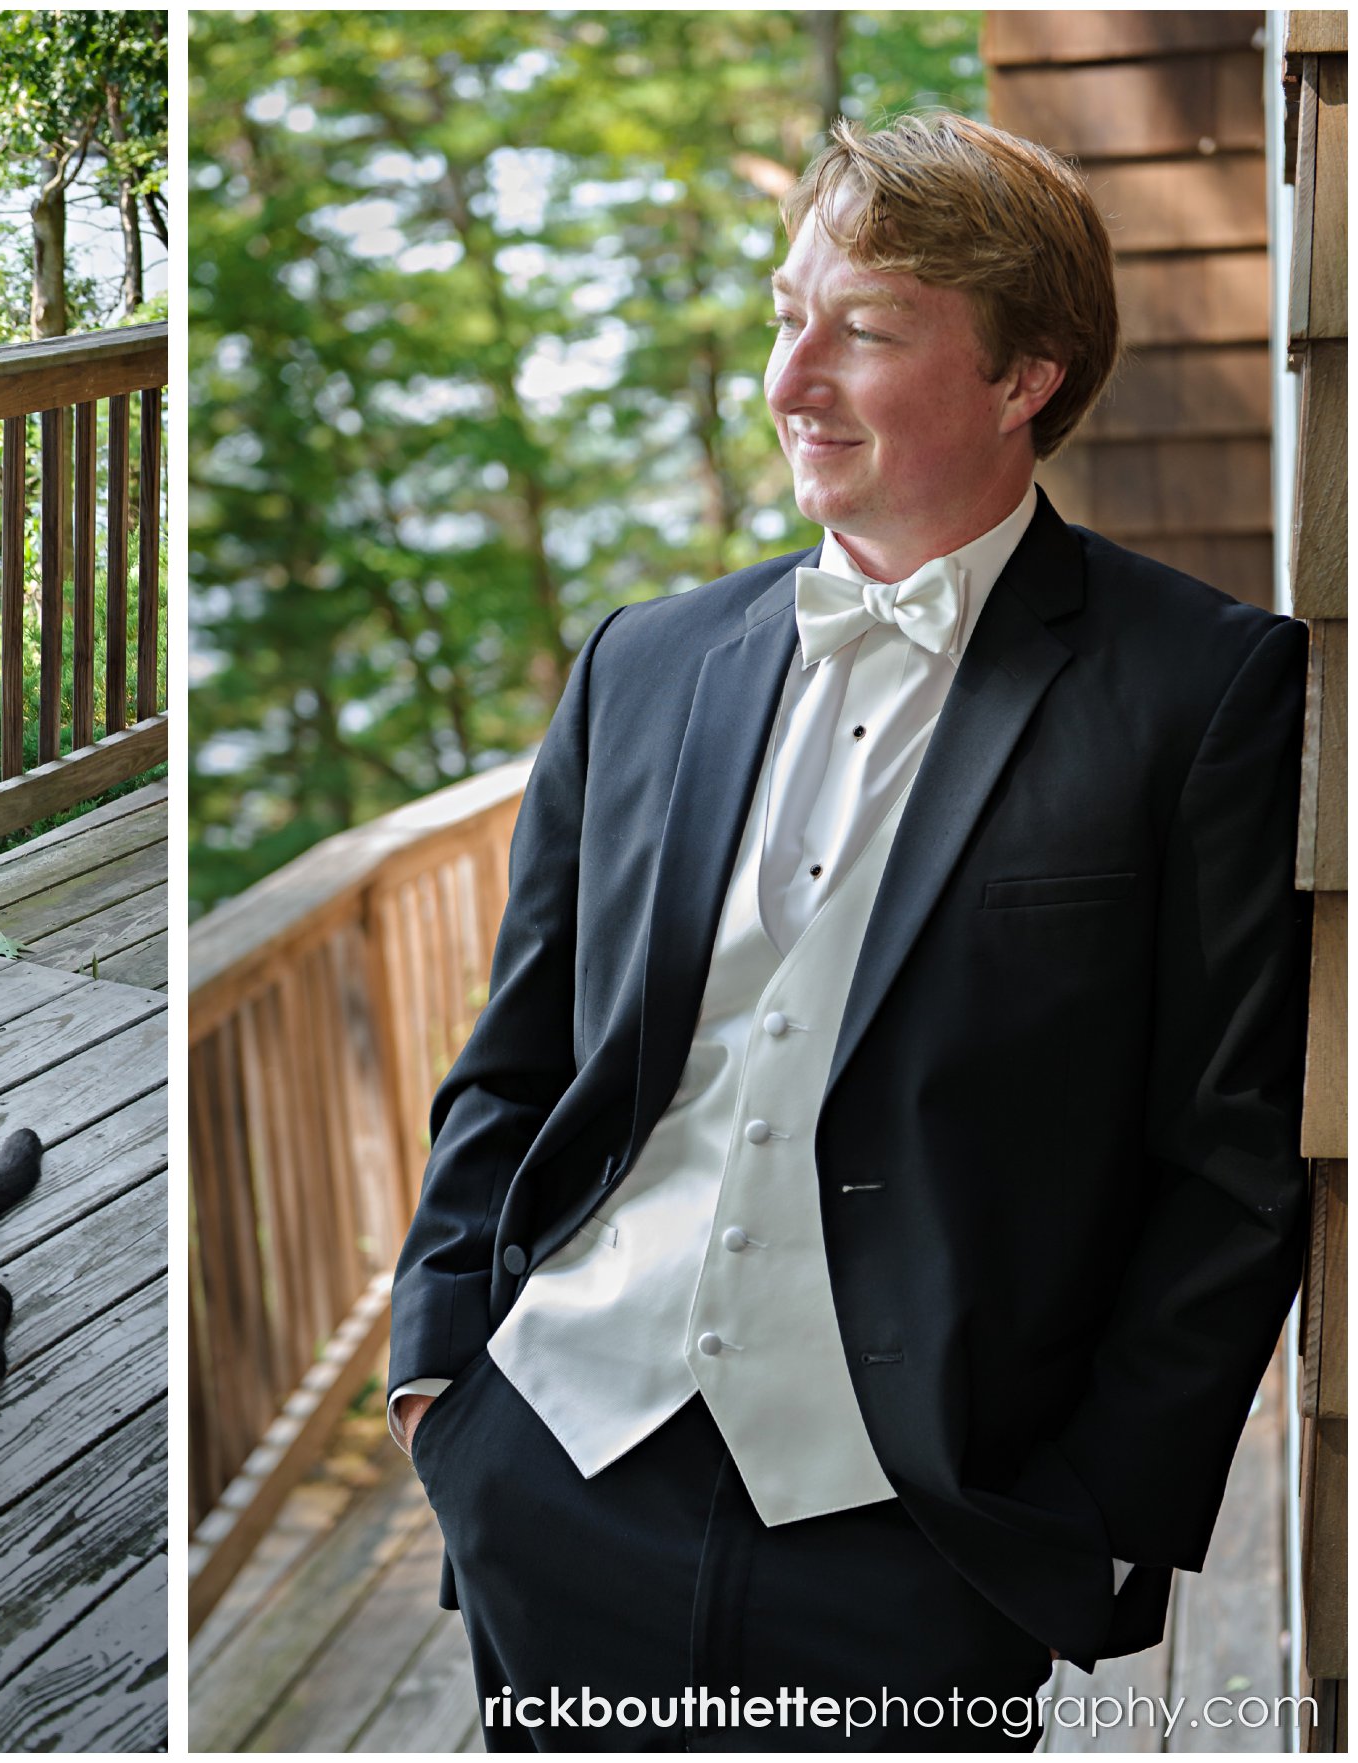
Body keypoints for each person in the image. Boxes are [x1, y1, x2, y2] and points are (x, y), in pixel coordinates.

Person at [389, 113, 1309, 1752]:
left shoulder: (1201, 689)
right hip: (558, 1468)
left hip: (926, 1535)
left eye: (864, 330)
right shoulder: (644, 664)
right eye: (781, 315)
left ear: (1027, 375)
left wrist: (1093, 1511)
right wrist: (446, 1367)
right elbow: (521, 1048)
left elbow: (1226, 1159)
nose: (790, 378)